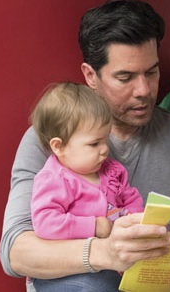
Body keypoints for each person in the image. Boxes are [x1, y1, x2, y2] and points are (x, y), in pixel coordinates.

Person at [0, 0, 170, 291]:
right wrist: (105, 253)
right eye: (125, 77)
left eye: (151, 72)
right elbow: (15, 251)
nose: (143, 90)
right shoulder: (51, 141)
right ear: (91, 75)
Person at [28, 82, 145, 290]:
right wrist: (93, 226)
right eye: (94, 143)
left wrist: (136, 220)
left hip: (111, 261)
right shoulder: (54, 179)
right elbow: (45, 222)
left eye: (105, 140)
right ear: (59, 146)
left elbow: (131, 198)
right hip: (64, 271)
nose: (104, 150)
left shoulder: (112, 171)